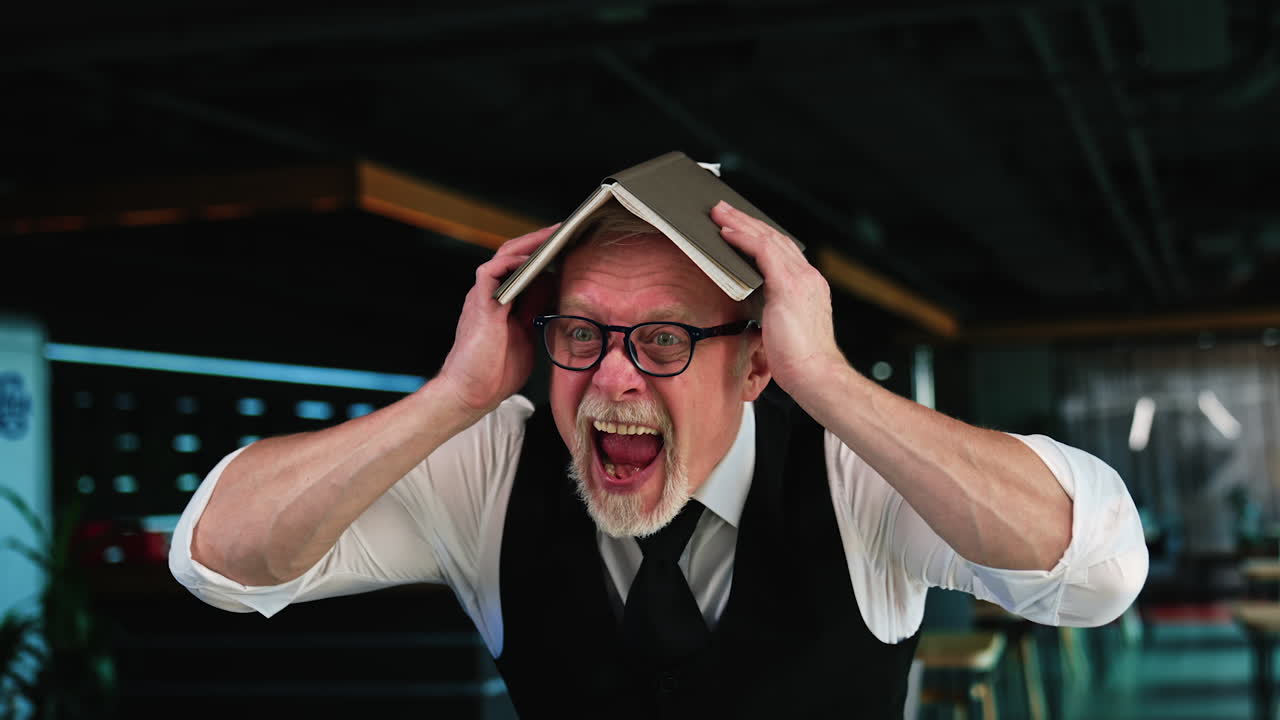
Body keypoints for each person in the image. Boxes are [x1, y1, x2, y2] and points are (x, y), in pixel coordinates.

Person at [170, 198, 1148, 718]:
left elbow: (1095, 573)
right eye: (581, 333)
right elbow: (217, 559)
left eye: (665, 340)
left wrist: (827, 381)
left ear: (755, 364)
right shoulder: (492, 470)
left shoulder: (848, 475)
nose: (613, 377)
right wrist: (453, 395)